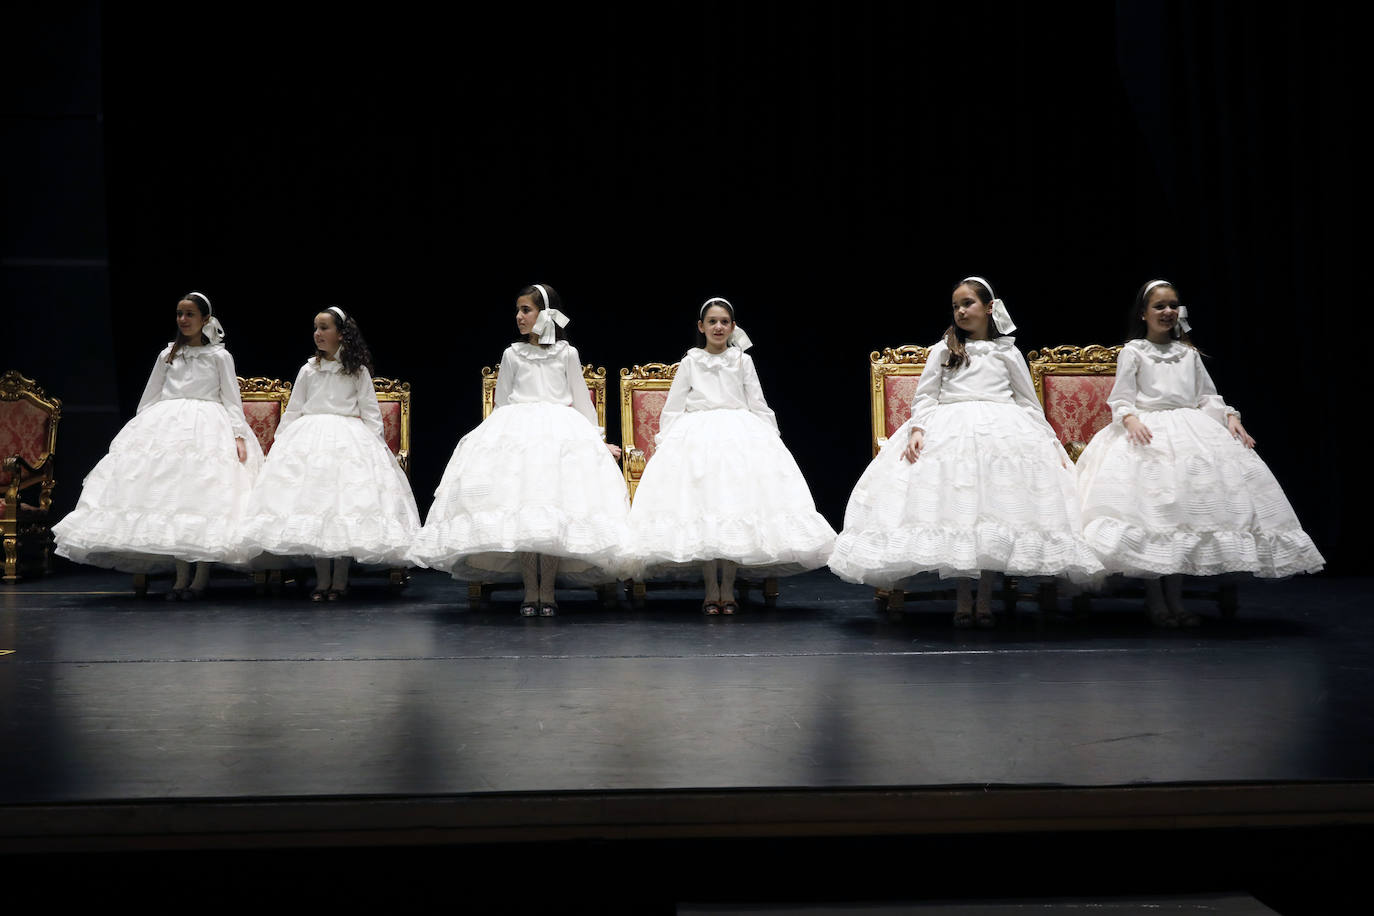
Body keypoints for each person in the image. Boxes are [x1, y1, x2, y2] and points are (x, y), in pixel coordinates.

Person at [829, 277, 1102, 626]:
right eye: (956, 305)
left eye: (968, 303)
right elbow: (926, 395)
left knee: (991, 512)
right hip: (951, 432)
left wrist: (1049, 442)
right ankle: (962, 598)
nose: (960, 310)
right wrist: (917, 429)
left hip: (1001, 434)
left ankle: (985, 600)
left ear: (989, 308)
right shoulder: (944, 349)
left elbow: (1028, 402)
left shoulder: (1007, 352)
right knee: (959, 512)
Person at [1074, 279, 1324, 625]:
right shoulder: (1134, 351)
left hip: (1189, 432)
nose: (1167, 312)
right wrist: (1129, 419)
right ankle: (1155, 600)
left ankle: (1175, 600)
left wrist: (1230, 418)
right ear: (1144, 313)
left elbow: (1207, 396)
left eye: (1172, 305)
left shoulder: (1188, 354)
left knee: (1183, 518)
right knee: (1153, 515)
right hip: (1148, 432)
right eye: (1159, 306)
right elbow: (1121, 396)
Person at [410, 284, 629, 616]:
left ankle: (548, 591)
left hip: (559, 434)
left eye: (526, 310)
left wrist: (598, 441)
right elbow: (501, 403)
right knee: (526, 510)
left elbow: (582, 402)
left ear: (545, 314)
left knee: (552, 509)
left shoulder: (566, 353)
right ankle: (531, 591)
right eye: (518, 310)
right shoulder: (512, 354)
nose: (519, 316)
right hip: (517, 432)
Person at [625, 297, 836, 615]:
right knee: (708, 508)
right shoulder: (691, 361)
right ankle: (712, 588)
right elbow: (673, 406)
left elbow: (757, 400)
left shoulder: (742, 360)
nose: (718, 326)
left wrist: (770, 438)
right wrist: (664, 442)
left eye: (724, 321)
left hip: (739, 435)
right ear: (701, 326)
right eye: (712, 321)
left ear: (733, 326)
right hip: (699, 436)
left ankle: (729, 588)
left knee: (734, 507)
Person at [53, 291, 263, 597]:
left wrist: (238, 436)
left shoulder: (219, 356)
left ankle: (201, 574)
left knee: (203, 497)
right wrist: (140, 431)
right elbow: (150, 397)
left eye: (190, 314)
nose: (183, 319)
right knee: (172, 498)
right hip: (169, 425)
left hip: (207, 426)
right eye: (179, 314)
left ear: (205, 319)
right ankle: (180, 577)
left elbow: (231, 399)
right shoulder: (167, 355)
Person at [237, 306, 420, 600]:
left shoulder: (356, 371)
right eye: (316, 328)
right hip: (310, 441)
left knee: (342, 508)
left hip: (348, 442)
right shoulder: (309, 369)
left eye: (324, 328)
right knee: (317, 507)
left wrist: (375, 451)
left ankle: (340, 579)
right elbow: (294, 408)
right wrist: (281, 444)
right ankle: (322, 580)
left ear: (340, 334)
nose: (318, 334)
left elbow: (371, 413)